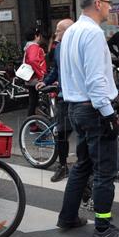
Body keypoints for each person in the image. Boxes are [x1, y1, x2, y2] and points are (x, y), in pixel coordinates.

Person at [57, 0, 119, 237]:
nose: (111, 7)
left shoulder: (70, 33)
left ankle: (68, 216)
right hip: (94, 108)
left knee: (83, 164)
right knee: (105, 171)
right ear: (98, 3)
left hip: (76, 107)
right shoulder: (93, 33)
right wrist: (109, 114)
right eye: (109, 2)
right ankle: (103, 226)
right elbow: (96, 80)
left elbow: (70, 75)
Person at [37, 19, 75, 182]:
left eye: (59, 30)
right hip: (63, 97)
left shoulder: (77, 46)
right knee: (62, 133)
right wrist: (45, 81)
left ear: (68, 31)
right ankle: (62, 166)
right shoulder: (58, 48)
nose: (56, 33)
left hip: (78, 98)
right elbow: (56, 70)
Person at [22, 29, 47, 118]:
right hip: (35, 78)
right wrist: (41, 74)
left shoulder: (28, 46)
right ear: (36, 36)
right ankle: (32, 124)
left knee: (33, 101)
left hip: (30, 77)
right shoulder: (34, 47)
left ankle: (32, 123)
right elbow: (33, 60)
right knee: (33, 102)